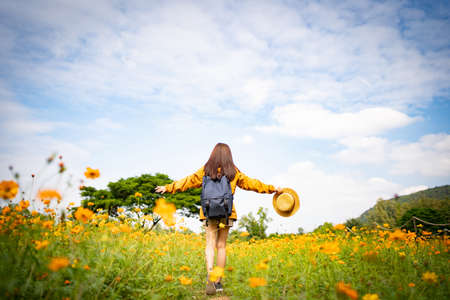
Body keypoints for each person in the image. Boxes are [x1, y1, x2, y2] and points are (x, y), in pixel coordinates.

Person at [155, 142, 281, 295]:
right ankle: (218, 282)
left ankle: (210, 274)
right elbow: (252, 184)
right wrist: (272, 188)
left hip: (209, 211)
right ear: (229, 156)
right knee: (221, 246)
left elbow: (187, 181)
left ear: (213, 155)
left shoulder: (206, 170)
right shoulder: (233, 172)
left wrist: (168, 187)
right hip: (227, 212)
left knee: (210, 244)